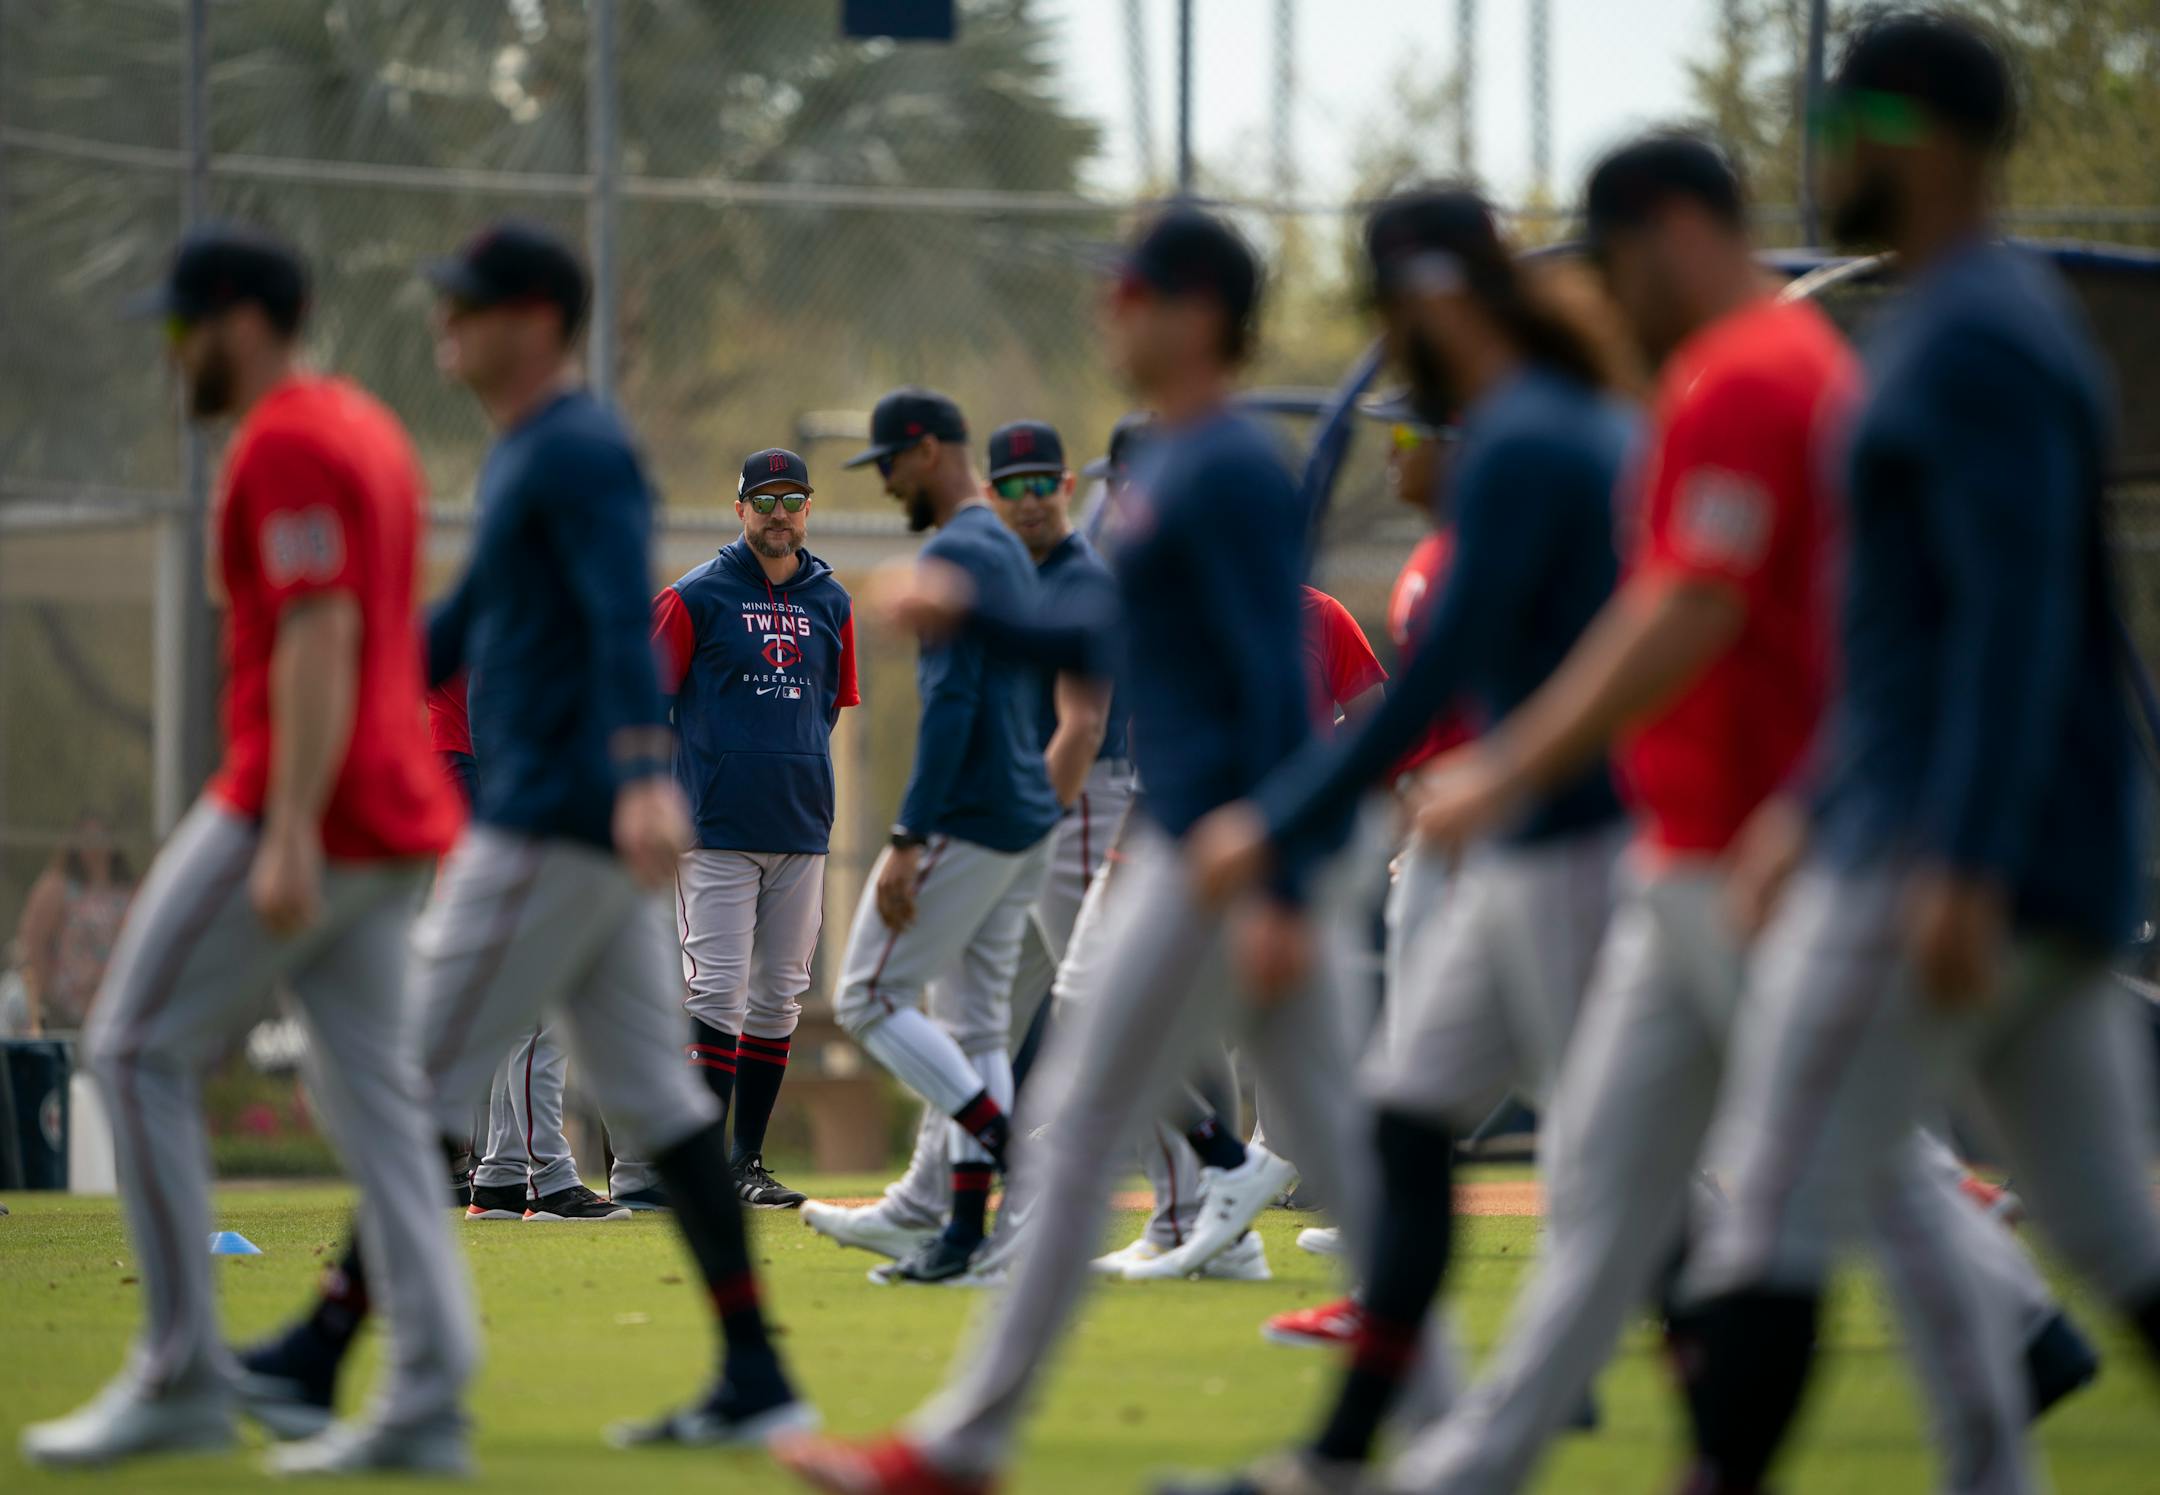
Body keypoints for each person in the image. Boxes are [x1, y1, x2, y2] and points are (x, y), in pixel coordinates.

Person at [1358, 131, 2096, 1495]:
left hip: (1752, 845)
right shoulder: (1725, 375)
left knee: (1835, 1176)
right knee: (1616, 1179)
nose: (1602, 294)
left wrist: (1513, 767)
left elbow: (1694, 605)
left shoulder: (1758, 374)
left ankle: (2020, 1367)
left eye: (1611, 257)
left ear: (1667, 230)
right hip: (1694, 839)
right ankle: (1468, 1461)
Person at [779, 204, 1376, 1495]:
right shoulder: (1166, 473)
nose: (1113, 310)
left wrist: (1275, 867)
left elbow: (1277, 689)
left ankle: (964, 1441)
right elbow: (1121, 652)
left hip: (1234, 849)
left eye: (1136, 291)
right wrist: (979, 604)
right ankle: (1446, 1422)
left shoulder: (1227, 471)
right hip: (1208, 847)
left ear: (1201, 313)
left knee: (1097, 1108)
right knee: (1320, 1143)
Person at [1668, 16, 2160, 1490]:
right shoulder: (1982, 319)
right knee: (2106, 1230)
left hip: (1942, 861)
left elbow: (2010, 625)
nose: (1823, 155)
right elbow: (1920, 635)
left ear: (1925, 136)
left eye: (1846, 123)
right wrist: (1807, 806)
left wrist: (1956, 848)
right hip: (1988, 849)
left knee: (1768, 1206)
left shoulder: (1975, 341)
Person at [232, 220, 814, 1463]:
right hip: (562, 820)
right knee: (660, 1104)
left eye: (470, 301)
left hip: (550, 819)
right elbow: (475, 615)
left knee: (406, 1083)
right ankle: (759, 1372)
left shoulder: (579, 449)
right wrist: (372, 698)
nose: (446, 318)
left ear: (537, 320)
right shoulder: (530, 451)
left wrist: (643, 769)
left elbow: (617, 614)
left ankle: (328, 1354)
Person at [1178, 185, 1638, 1492]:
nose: (1388, 339)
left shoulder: (1531, 438)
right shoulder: (1535, 427)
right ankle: (1346, 1450)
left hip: (1580, 842)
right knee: (1416, 1118)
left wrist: (1289, 812)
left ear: (1433, 294)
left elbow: (1439, 680)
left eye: (1387, 305)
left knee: (1635, 1156)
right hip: (1531, 837)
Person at [21, 226, 473, 1472]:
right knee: (382, 1108)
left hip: (305, 802)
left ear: (237, 319)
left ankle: (178, 1370)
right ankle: (431, 1396)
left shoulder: (283, 440)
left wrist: (282, 834)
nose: (171, 353)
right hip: (390, 809)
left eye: (180, 328)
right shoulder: (365, 425)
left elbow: (321, 631)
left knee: (128, 1046)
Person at [805, 418, 1130, 1268]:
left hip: (979, 811)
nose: (884, 483)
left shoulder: (966, 549)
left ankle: (1024, 1170)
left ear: (927, 452)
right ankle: (961, 1234)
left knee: (867, 999)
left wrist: (910, 833)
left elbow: (955, 707)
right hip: (1023, 816)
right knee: (980, 1026)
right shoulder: (1001, 547)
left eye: (889, 464)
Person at [647, 445, 861, 1211]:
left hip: (802, 822)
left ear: (808, 509)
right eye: (763, 499)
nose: (779, 513)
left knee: (780, 999)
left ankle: (747, 1163)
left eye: (792, 499)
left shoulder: (832, 600)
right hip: (713, 825)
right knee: (717, 993)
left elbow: (827, 707)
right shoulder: (694, 596)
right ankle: (701, 1170)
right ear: (738, 509)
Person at [14, 814, 135, 1036]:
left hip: (116, 1005)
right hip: (69, 1009)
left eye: (101, 836)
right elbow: (33, 941)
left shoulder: (127, 891)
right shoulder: (58, 887)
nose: (95, 845)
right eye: (87, 838)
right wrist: (46, 997)